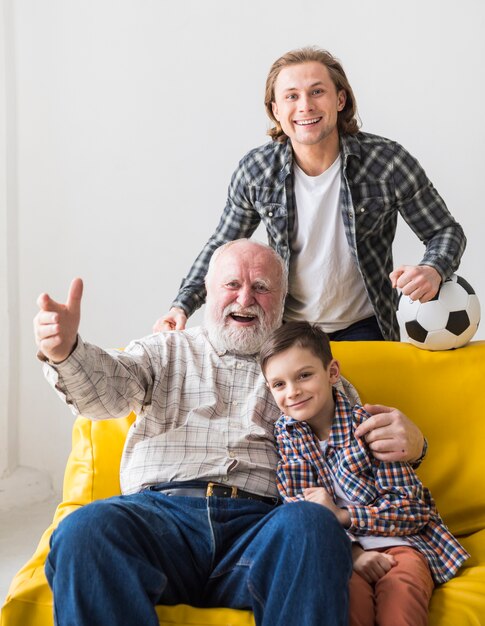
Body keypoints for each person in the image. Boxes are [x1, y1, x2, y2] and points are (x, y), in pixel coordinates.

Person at [34, 239, 426, 626]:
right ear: (207, 292)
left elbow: (354, 451)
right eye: (232, 285)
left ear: (282, 298)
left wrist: (417, 446)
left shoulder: (306, 370)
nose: (245, 299)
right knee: (84, 531)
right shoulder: (165, 349)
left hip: (262, 528)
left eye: (261, 287)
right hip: (159, 520)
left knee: (312, 524)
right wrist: (67, 351)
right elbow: (107, 393)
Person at [153, 47, 466, 342]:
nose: (305, 106)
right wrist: (180, 307)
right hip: (286, 328)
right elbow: (221, 248)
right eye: (291, 96)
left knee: (363, 403)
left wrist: (432, 269)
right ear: (276, 110)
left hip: (366, 326)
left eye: (317, 91)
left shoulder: (388, 163)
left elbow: (444, 231)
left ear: (340, 99)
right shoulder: (256, 171)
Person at [259, 321, 469, 626]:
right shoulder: (287, 436)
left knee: (400, 601)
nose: (293, 392)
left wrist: (343, 516)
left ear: (332, 373)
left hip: (402, 544)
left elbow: (414, 511)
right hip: (343, 551)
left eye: (304, 375)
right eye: (279, 384)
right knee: (346, 603)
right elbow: (299, 509)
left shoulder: (369, 428)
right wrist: (354, 552)